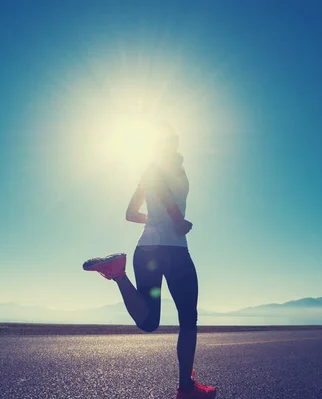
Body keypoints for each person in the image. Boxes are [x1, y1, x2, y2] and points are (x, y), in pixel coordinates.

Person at [83, 124, 217, 399]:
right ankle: (185, 389)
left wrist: (157, 219)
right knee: (188, 319)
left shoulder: (150, 170)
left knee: (148, 321)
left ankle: (117, 272)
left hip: (146, 250)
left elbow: (131, 213)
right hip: (174, 251)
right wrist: (176, 220)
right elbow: (162, 190)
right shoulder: (166, 169)